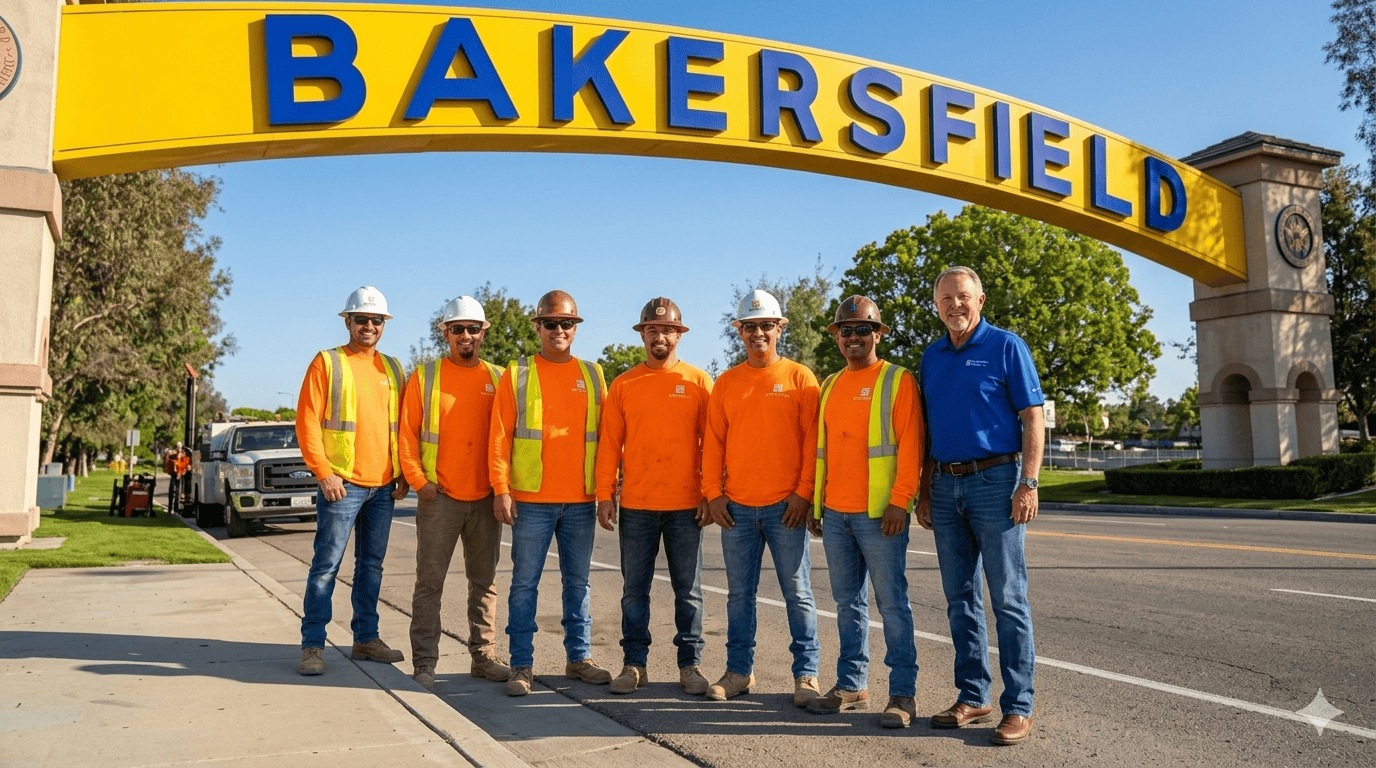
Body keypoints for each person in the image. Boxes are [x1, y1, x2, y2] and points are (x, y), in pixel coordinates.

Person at [917, 266, 1045, 746]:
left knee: (1008, 599)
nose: (955, 305)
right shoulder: (931, 357)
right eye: (946, 298)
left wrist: (1028, 483)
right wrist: (925, 491)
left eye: (963, 297)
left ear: (981, 299)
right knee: (959, 600)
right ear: (936, 305)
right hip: (947, 488)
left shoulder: (1006, 346)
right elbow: (929, 432)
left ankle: (1018, 706)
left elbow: (1032, 415)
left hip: (997, 481)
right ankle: (973, 695)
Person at [806, 296, 923, 728]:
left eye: (863, 330)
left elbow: (911, 445)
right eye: (846, 330)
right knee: (846, 604)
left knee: (892, 604)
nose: (854, 337)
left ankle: (903, 694)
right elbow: (823, 450)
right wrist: (819, 504)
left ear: (879, 334)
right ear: (837, 336)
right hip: (836, 513)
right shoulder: (831, 384)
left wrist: (900, 500)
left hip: (880, 515)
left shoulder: (897, 380)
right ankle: (852, 683)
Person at [701, 289, 822, 706]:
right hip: (736, 509)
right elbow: (714, 442)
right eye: (749, 327)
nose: (758, 333)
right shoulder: (727, 382)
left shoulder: (801, 378)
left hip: (785, 508)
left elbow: (813, 443)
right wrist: (713, 493)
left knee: (799, 593)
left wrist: (804, 494)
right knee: (739, 596)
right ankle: (738, 672)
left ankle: (806, 676)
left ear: (779, 328)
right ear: (739, 331)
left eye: (765, 325)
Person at [490, 289, 612, 696]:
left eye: (567, 324)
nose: (559, 330)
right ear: (538, 327)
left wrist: (605, 492)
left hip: (579, 501)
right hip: (531, 501)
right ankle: (521, 666)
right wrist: (501, 489)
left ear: (575, 329)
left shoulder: (594, 376)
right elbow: (500, 437)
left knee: (578, 584)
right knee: (524, 584)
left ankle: (578, 659)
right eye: (551, 323)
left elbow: (608, 441)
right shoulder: (518, 373)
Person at [595, 298, 713, 696]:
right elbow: (610, 444)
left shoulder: (699, 382)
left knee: (689, 591)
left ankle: (690, 665)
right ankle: (634, 664)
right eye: (652, 330)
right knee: (634, 591)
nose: (659, 336)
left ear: (679, 335)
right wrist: (604, 494)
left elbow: (711, 444)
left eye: (667, 330)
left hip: (685, 505)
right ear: (642, 334)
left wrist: (710, 492)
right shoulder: (624, 383)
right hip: (638, 506)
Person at [399, 296, 512, 690]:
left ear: (484, 332)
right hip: (439, 499)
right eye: (457, 329)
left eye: (473, 329)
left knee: (485, 582)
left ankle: (483, 657)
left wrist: (502, 489)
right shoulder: (425, 376)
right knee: (430, 584)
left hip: (484, 499)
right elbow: (407, 435)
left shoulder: (501, 379)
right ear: (445, 332)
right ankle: (425, 663)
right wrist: (420, 483)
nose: (466, 335)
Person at [295, 286, 409, 676]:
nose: (369, 326)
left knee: (371, 567)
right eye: (362, 319)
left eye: (377, 320)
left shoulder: (393, 369)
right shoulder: (327, 363)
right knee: (326, 566)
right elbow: (308, 422)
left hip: (383, 486)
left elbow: (403, 428)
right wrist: (324, 473)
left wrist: (403, 473)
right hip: (342, 485)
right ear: (348, 321)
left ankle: (366, 639)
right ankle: (312, 646)